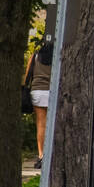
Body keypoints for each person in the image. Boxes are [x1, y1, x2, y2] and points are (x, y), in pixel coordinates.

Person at [26, 35, 53, 168]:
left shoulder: (35, 56)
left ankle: (41, 154)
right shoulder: (58, 57)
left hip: (37, 91)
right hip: (52, 92)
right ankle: (52, 153)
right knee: (53, 124)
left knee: (41, 124)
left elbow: (27, 75)